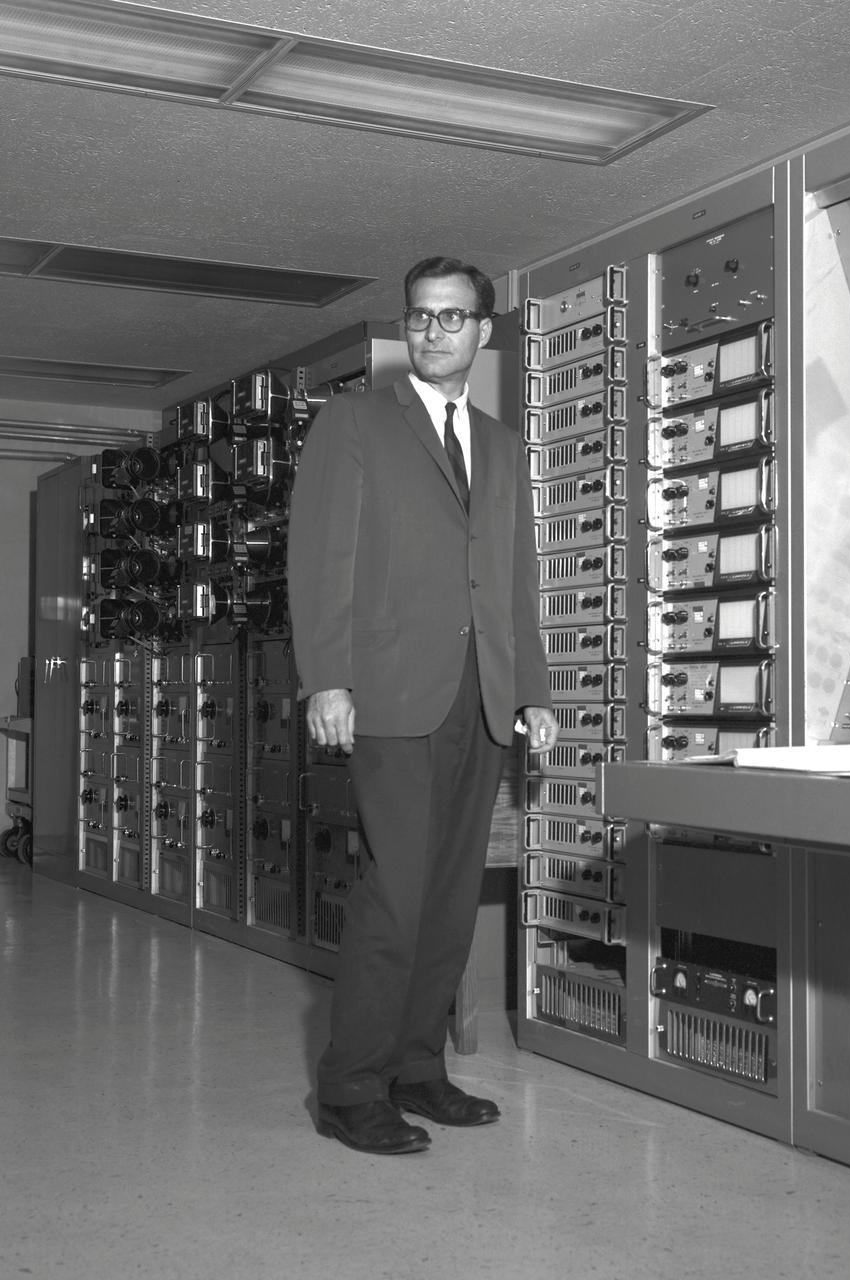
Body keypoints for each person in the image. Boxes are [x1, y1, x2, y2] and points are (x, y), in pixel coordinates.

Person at [286, 256, 558, 1155]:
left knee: (448, 902)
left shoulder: (503, 442)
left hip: (481, 701)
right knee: (395, 896)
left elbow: (514, 576)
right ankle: (350, 1084)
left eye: (453, 317)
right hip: (393, 699)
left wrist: (535, 692)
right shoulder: (355, 422)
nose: (433, 331)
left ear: (484, 331)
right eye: (420, 317)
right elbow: (321, 559)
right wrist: (328, 676)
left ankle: (417, 1068)